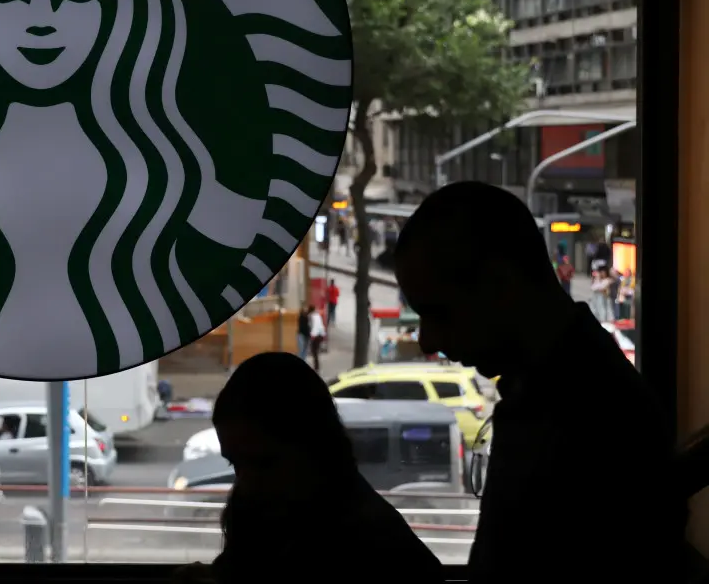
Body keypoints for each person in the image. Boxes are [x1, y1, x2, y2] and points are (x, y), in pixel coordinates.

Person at [392, 181, 684, 580]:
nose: (427, 340)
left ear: (500, 284)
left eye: (438, 312)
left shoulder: (583, 421)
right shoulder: (572, 390)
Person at [181, 352, 443, 583]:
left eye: (264, 463)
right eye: (235, 463)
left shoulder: (373, 544)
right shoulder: (274, 509)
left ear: (314, 447)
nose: (245, 481)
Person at [307, 305, 327, 373]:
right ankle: (317, 367)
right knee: (315, 351)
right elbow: (320, 326)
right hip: (320, 335)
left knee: (314, 351)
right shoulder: (317, 315)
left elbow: (314, 326)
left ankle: (316, 367)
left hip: (316, 336)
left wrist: (313, 335)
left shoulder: (312, 316)